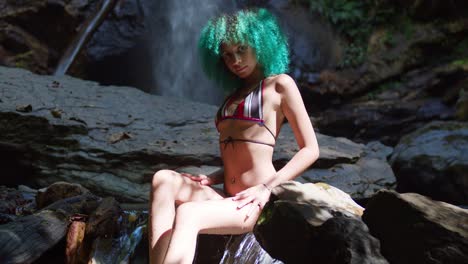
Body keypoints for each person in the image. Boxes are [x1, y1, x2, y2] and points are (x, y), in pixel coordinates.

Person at [148, 8, 319, 264]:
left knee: (188, 213)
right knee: (163, 179)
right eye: (227, 55)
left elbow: (311, 150)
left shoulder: (280, 85)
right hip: (227, 197)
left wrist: (265, 189)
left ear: (260, 44)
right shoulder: (232, 96)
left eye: (241, 49)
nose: (235, 60)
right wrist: (212, 177)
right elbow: (242, 153)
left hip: (252, 202)